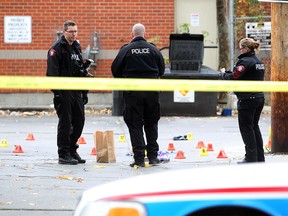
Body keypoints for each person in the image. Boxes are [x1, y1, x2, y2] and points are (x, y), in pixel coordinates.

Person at [111, 23, 165, 167]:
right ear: (144, 33)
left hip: (133, 93)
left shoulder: (126, 50)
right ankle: (153, 157)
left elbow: (115, 70)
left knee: (135, 124)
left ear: (132, 34)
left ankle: (139, 159)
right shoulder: (153, 49)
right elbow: (161, 70)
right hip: (152, 92)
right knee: (151, 123)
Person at [46, 20, 90, 165]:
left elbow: (78, 70)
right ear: (64, 32)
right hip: (63, 91)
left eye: (75, 31)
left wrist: (84, 91)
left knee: (79, 121)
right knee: (65, 123)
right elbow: (52, 72)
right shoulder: (57, 48)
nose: (74, 34)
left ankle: (72, 150)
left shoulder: (76, 47)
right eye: (71, 31)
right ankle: (63, 154)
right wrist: (57, 93)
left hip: (76, 90)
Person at [219, 37, 265, 163]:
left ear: (245, 48)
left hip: (247, 99)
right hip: (259, 97)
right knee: (254, 127)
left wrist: (223, 75)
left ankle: (250, 158)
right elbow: (242, 75)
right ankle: (259, 157)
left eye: (240, 48)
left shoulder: (245, 61)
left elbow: (234, 77)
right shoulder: (258, 61)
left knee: (246, 128)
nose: (240, 51)